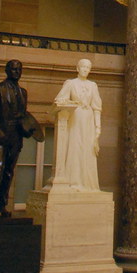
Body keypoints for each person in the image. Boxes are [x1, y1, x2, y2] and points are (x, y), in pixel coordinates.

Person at [0, 58, 43, 218]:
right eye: (14, 69)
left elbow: (23, 116)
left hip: (16, 136)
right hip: (1, 134)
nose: (17, 72)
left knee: (9, 171)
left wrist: (27, 131)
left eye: (19, 69)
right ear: (7, 71)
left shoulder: (23, 92)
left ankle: (1, 205)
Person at [53, 57, 103, 191]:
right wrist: (70, 104)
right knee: (75, 148)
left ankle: (87, 183)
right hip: (75, 118)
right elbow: (59, 99)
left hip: (88, 120)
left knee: (87, 150)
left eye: (88, 68)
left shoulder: (93, 86)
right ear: (77, 68)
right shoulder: (70, 83)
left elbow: (97, 107)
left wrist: (98, 128)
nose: (86, 70)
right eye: (83, 67)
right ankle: (73, 181)